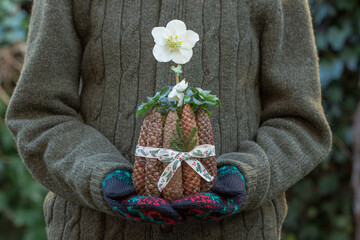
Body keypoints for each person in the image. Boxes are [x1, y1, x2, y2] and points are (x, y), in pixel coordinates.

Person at [5, 0, 332, 239]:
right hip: (95, 230)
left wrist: (244, 175)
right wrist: (103, 177)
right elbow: (40, 113)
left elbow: (298, 120)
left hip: (235, 232)